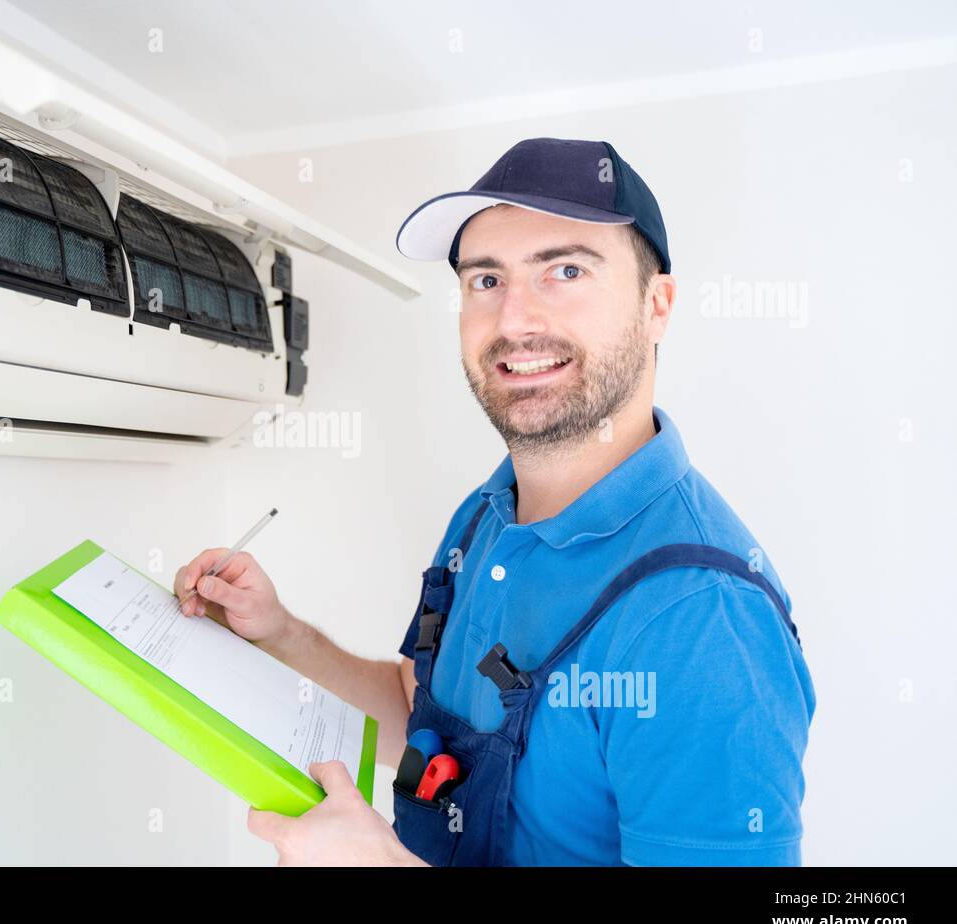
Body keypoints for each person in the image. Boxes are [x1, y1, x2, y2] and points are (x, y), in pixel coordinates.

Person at [175, 137, 815, 866]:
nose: (514, 320)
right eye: (486, 281)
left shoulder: (701, 619)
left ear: (656, 304)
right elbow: (421, 710)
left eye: (565, 271)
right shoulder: (487, 514)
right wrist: (281, 634)